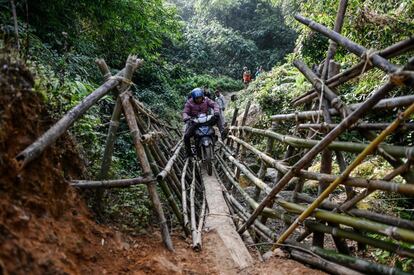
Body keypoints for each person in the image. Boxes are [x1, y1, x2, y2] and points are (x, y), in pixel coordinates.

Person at [182, 88, 226, 158]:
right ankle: (189, 153)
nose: (199, 99)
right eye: (197, 98)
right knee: (186, 136)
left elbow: (215, 105)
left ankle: (222, 131)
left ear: (202, 96)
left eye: (200, 98)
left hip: (206, 120)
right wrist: (186, 118)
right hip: (195, 122)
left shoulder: (206, 100)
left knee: (218, 116)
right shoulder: (189, 103)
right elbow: (185, 112)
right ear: (193, 98)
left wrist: (216, 112)